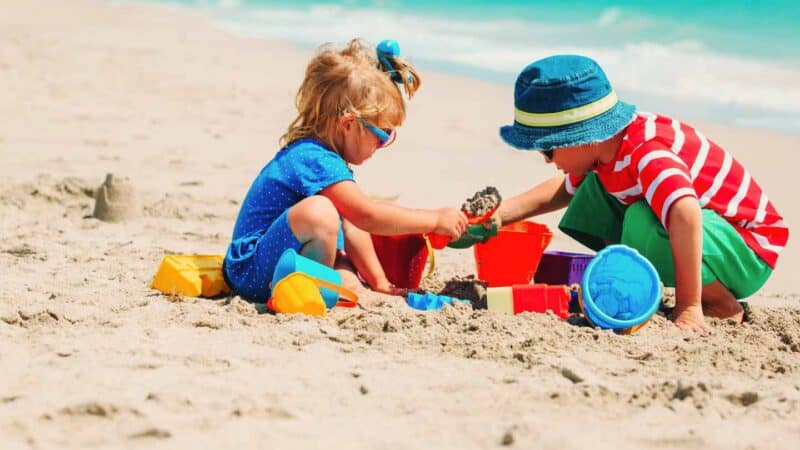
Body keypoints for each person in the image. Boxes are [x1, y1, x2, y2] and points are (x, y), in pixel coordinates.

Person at [493, 54, 788, 331]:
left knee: (639, 217)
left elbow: (685, 213)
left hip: (749, 250)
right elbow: (560, 191)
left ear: (582, 136)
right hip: (711, 243)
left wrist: (688, 305)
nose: (546, 159)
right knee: (593, 191)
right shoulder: (605, 154)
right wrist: (497, 216)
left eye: (548, 148)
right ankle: (621, 277)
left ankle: (719, 302)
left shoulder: (646, 151)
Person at [223, 39, 468, 307]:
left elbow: (354, 225)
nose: (383, 145)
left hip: (282, 256)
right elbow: (367, 216)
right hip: (252, 272)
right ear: (349, 124)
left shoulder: (329, 159)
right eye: (382, 135)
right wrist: (434, 220)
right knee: (321, 212)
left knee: (349, 272)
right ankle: (308, 293)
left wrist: (380, 282)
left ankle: (356, 292)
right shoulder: (312, 158)